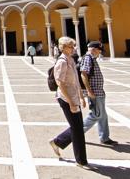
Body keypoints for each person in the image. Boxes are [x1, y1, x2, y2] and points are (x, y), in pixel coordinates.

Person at [49, 36, 92, 170]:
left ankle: (57, 142)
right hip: (66, 99)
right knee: (78, 129)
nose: (73, 48)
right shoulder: (61, 62)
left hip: (73, 97)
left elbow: (76, 81)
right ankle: (81, 161)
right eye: (71, 46)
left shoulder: (71, 60)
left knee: (77, 127)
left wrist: (81, 97)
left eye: (74, 46)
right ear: (63, 48)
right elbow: (59, 83)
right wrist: (71, 102)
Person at [80, 41, 118, 145]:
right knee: (96, 115)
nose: (100, 52)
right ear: (94, 49)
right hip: (94, 92)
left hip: (99, 92)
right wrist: (89, 91)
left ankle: (104, 137)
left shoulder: (92, 58)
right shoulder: (88, 58)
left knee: (103, 116)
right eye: (99, 50)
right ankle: (75, 133)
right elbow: (83, 74)